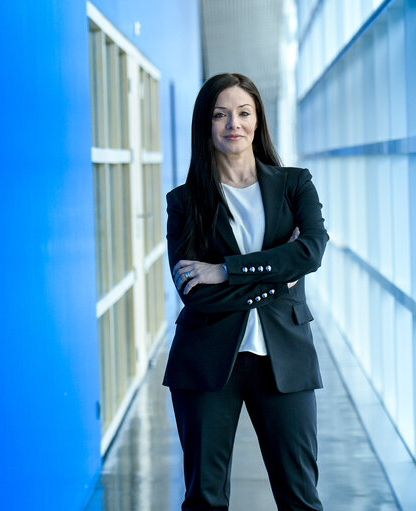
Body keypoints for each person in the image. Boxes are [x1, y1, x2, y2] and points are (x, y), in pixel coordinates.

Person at [163, 72, 328, 511]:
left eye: (243, 112)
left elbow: (311, 252)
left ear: (258, 120)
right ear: (206, 125)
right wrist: (277, 274)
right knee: (204, 500)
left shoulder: (295, 185)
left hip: (285, 360)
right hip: (206, 363)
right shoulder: (184, 202)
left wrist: (226, 270)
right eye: (220, 115)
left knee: (301, 500)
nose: (232, 123)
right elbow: (195, 294)